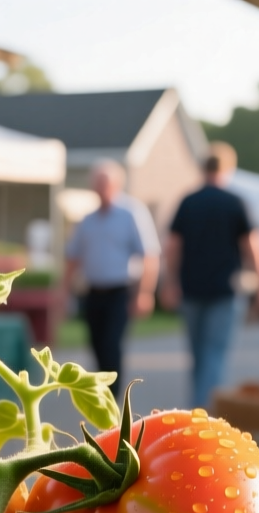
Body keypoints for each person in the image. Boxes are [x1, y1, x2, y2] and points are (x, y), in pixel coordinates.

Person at [162, 143, 259, 410]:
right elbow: (252, 245)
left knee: (198, 356)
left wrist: (170, 281)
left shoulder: (188, 201)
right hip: (224, 289)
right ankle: (204, 410)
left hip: (191, 288)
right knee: (215, 354)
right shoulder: (235, 202)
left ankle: (197, 407)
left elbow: (173, 246)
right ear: (228, 169)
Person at [63, 159, 160, 399]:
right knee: (95, 344)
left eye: (105, 183)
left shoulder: (131, 213)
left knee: (111, 345)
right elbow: (74, 257)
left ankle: (113, 396)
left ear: (117, 184)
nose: (101, 187)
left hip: (120, 291)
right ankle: (102, 391)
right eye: (97, 183)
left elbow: (149, 255)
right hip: (94, 292)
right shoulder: (88, 220)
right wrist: (63, 290)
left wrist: (144, 293)